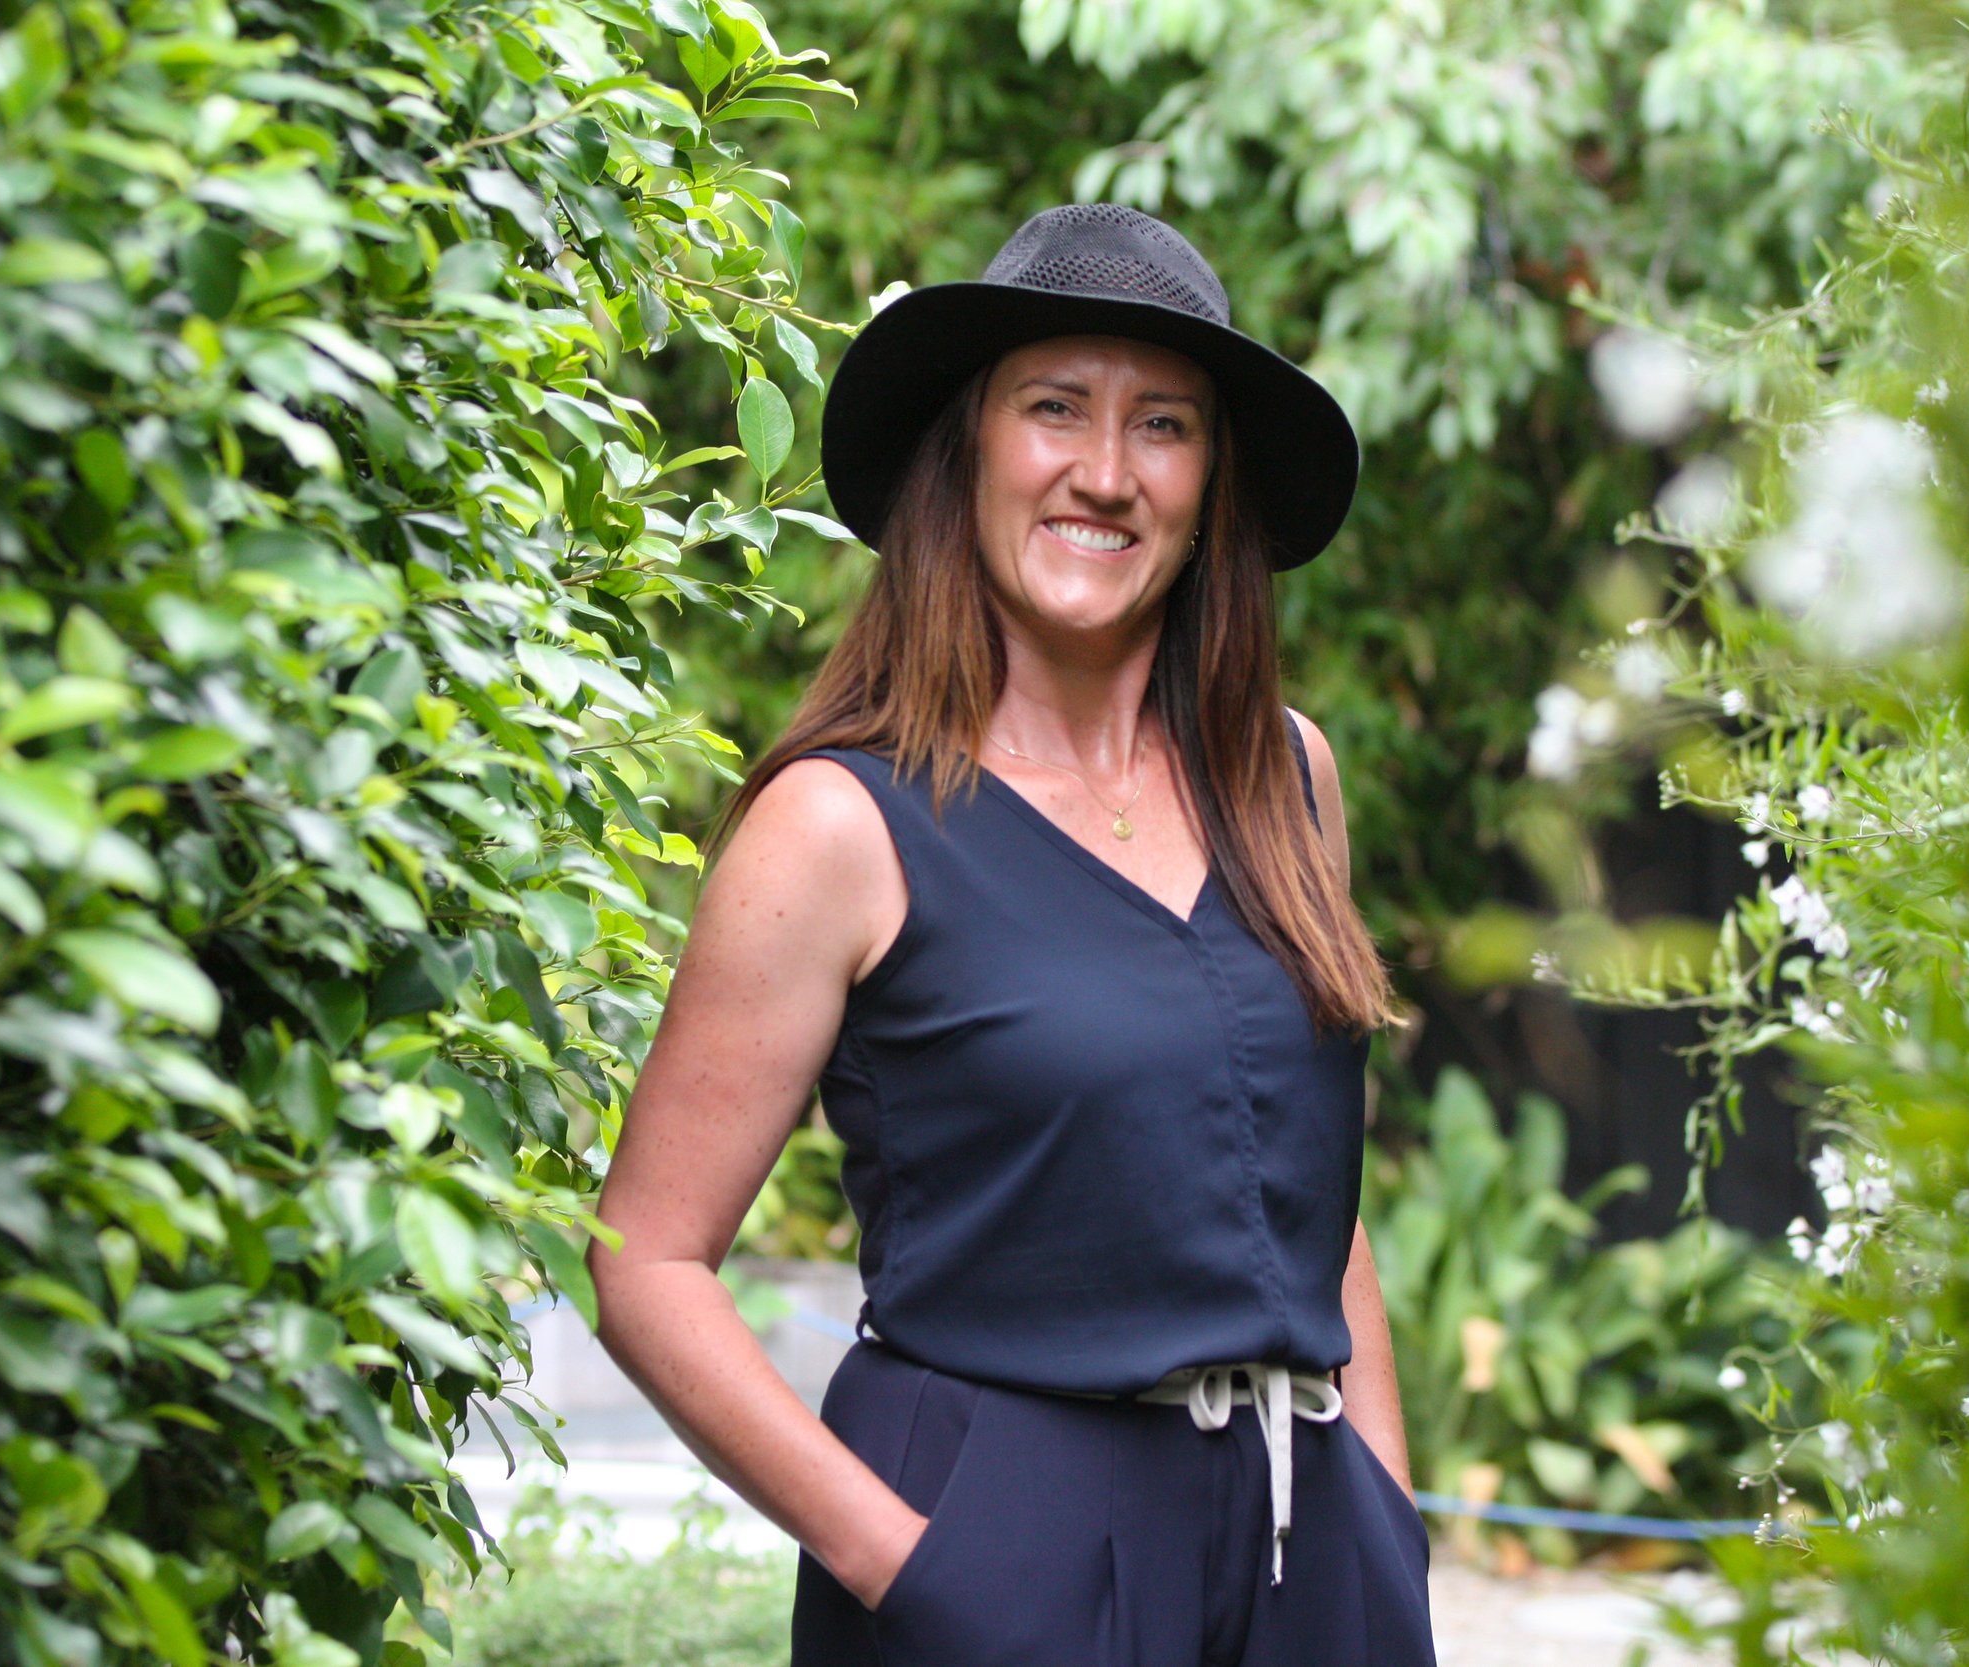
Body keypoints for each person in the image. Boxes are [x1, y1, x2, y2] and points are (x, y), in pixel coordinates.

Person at [585, 203, 1436, 1665]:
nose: (1105, 474)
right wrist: (913, 1570)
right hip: (1003, 1559)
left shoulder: (1287, 774)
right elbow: (644, 1262)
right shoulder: (842, 826)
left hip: (1311, 1558)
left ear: (1211, 479)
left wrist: (1386, 1515)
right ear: (970, 446)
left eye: (1163, 426)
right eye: (1057, 410)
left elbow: (1299, 1185)